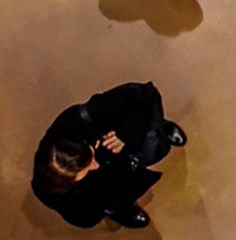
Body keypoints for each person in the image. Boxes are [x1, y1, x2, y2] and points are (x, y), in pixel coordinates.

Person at [31, 81, 186, 230]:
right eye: (87, 167)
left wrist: (126, 133)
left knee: (153, 140)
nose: (95, 165)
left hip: (123, 140)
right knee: (119, 196)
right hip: (111, 179)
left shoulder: (76, 121)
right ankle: (116, 209)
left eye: (91, 155)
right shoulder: (52, 194)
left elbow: (144, 94)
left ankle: (161, 127)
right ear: (69, 183)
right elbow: (86, 218)